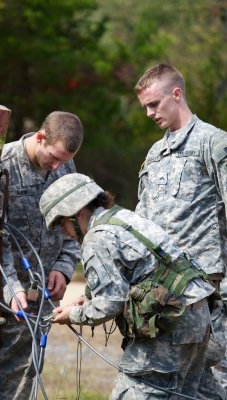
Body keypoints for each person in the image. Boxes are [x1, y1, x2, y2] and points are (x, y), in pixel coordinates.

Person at [39, 172, 215, 400]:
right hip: (197, 315)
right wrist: (88, 298)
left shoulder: (98, 236)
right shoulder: (123, 218)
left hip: (170, 324)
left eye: (61, 222)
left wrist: (73, 315)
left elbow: (111, 303)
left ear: (76, 213)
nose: (63, 231)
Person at [0, 111, 84, 399]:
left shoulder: (65, 167)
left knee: (17, 384)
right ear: (40, 137)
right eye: (53, 158)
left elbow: (73, 226)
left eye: (63, 161)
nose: (57, 167)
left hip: (36, 296)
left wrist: (64, 267)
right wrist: (12, 286)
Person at [134, 63, 227, 399]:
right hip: (161, 291)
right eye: (145, 106)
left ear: (177, 94)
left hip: (206, 290)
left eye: (154, 104)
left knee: (211, 380)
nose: (148, 113)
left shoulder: (212, 142)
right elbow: (141, 221)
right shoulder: (155, 154)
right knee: (166, 380)